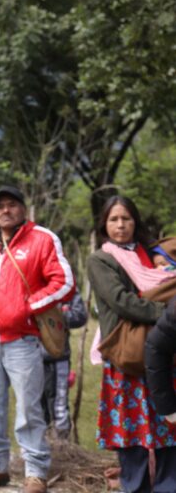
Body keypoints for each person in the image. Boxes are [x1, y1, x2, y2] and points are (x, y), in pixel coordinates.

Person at [0, 186, 74, 493]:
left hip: (22, 340)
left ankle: (35, 472)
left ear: (23, 208)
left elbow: (64, 282)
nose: (5, 210)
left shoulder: (42, 239)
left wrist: (28, 308)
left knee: (29, 409)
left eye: (12, 205)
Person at [87, 195, 175, 493]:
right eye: (114, 219)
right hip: (126, 351)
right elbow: (122, 302)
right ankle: (135, 486)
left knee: (168, 421)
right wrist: (167, 312)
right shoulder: (101, 259)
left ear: (135, 222)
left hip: (162, 351)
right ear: (104, 225)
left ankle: (167, 486)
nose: (121, 225)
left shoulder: (150, 254)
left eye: (126, 218)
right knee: (130, 427)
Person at [39, 293, 87, 440]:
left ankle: (61, 447)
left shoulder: (66, 286)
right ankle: (38, 447)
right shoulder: (29, 282)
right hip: (31, 357)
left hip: (59, 357)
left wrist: (55, 316)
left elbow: (80, 316)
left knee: (59, 406)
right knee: (34, 407)